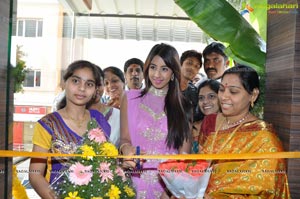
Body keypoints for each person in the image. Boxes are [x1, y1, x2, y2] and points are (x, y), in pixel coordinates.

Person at [199, 65, 290, 198]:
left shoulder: (264, 139)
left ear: (253, 95)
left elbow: (265, 191)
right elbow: (197, 166)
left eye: (233, 92)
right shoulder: (210, 122)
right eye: (222, 90)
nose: (224, 97)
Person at [29, 60, 111, 199]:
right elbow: (35, 173)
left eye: (89, 84)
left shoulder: (99, 120)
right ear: (64, 82)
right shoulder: (48, 124)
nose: (82, 88)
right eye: (75, 81)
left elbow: (107, 164)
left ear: (95, 90)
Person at [120, 43, 193, 199]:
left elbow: (184, 154)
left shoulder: (184, 106)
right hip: (133, 181)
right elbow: (124, 138)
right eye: (153, 67)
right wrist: (126, 150)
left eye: (164, 69)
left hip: (166, 186)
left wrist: (170, 190)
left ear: (173, 73)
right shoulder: (129, 98)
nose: (157, 74)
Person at [90, 64, 120, 146]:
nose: (96, 89)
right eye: (90, 85)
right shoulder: (75, 115)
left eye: (99, 85)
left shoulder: (117, 115)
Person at [192, 79, 220, 153]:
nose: (205, 102)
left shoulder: (229, 125)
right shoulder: (191, 127)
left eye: (211, 96)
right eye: (201, 98)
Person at [179, 50, 203, 122]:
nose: (192, 68)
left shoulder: (195, 93)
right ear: (180, 64)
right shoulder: (167, 87)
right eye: (189, 63)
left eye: (196, 66)